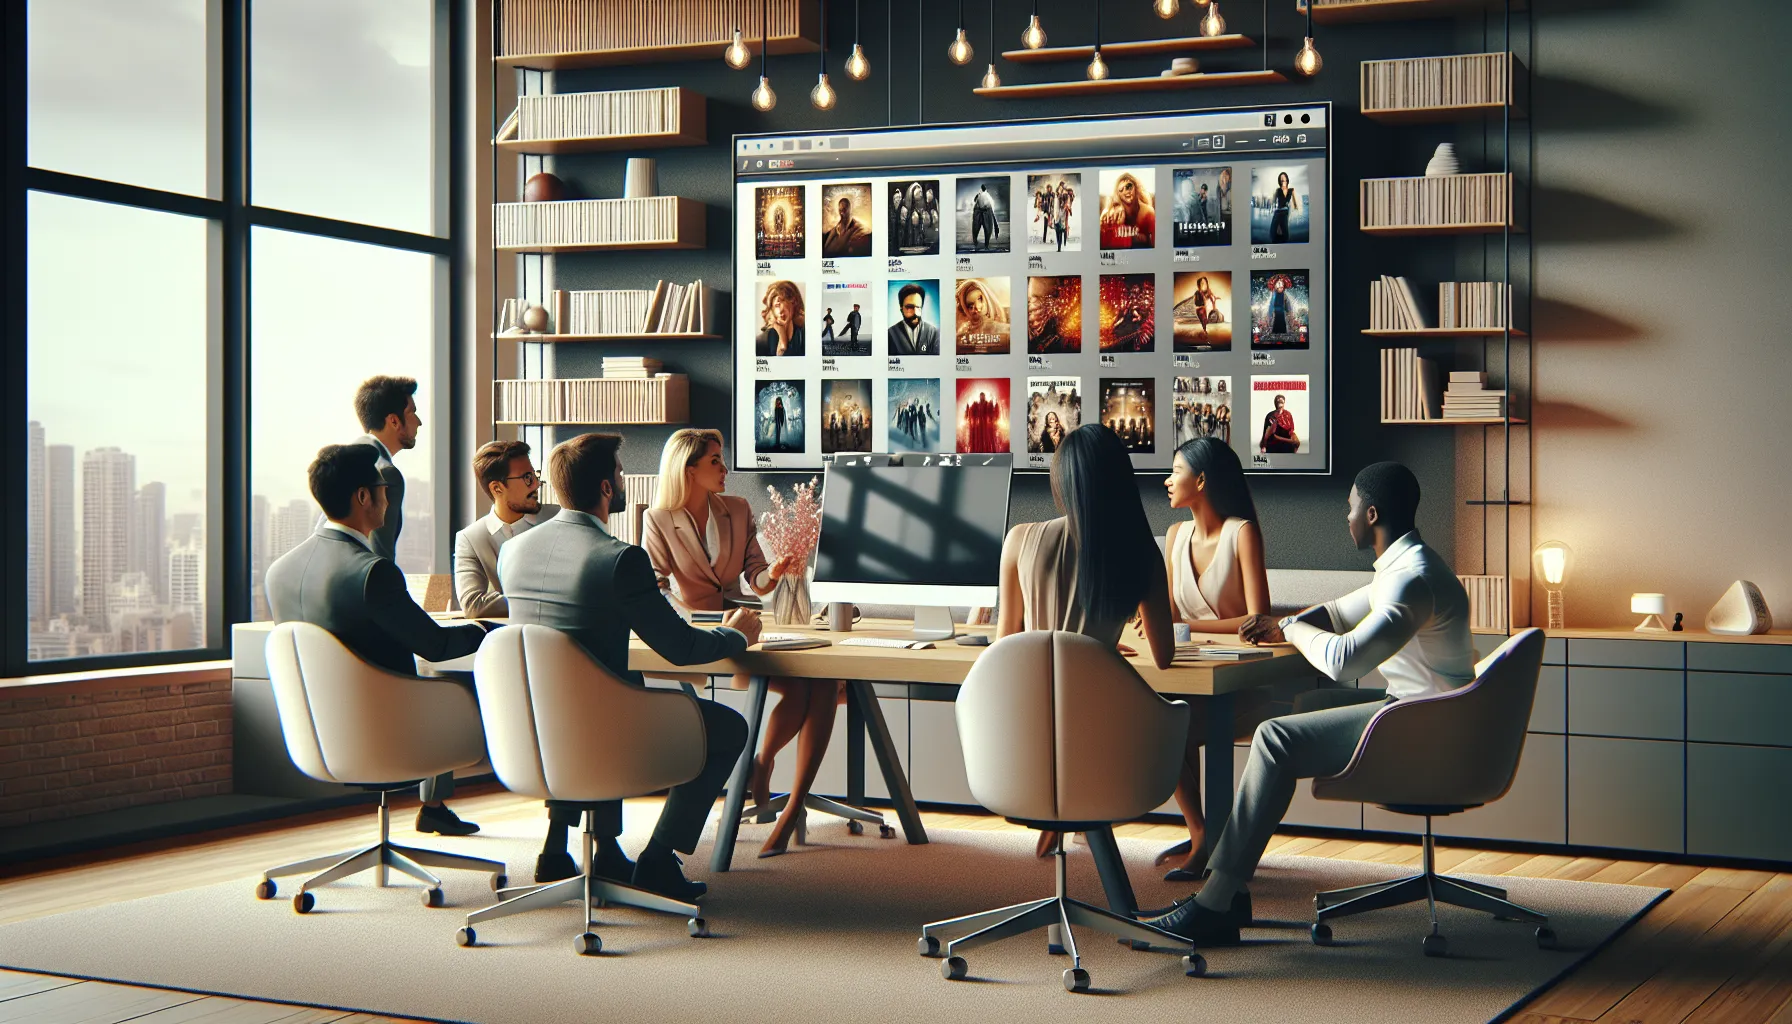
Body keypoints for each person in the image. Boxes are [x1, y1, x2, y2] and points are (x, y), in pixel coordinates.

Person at [1148, 462, 1474, 945]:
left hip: (1424, 726)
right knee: (1303, 707)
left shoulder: (1412, 579)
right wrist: (1284, 624)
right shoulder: (1406, 565)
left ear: (1372, 514)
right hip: (1425, 712)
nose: (1347, 516)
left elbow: (1343, 660)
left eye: (1351, 507)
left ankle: (1218, 898)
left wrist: (1294, 629)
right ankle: (1230, 874)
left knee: (1275, 737)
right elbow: (1339, 612)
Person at [498, 433, 757, 900]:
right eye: (619, 473)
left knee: (612, 686)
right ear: (605, 487)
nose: (622, 480)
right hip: (601, 736)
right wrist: (736, 635)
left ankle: (580, 848)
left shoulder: (513, 550)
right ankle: (658, 859)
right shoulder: (619, 559)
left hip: (531, 733)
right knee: (727, 727)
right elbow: (678, 646)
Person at [266, 443, 489, 838]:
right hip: (386, 734)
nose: (389, 498)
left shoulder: (279, 571)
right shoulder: (372, 572)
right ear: (363, 497)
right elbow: (435, 646)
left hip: (317, 738)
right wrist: (488, 631)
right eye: (384, 489)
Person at [639, 429, 836, 859]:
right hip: (694, 632)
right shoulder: (658, 518)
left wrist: (775, 573)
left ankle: (772, 779)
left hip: (742, 626)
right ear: (689, 469)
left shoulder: (738, 508)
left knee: (819, 682)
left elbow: (756, 578)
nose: (725, 468)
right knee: (815, 687)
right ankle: (768, 780)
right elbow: (655, 587)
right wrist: (689, 620)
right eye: (715, 461)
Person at [998, 424, 1177, 856]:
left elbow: (1004, 648)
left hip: (1024, 733)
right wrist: (1097, 651)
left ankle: (1061, 812)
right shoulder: (1141, 552)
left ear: (1061, 480)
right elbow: (1164, 656)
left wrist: (1064, 648)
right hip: (1099, 735)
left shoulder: (1019, 539)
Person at [1154, 438, 1281, 880]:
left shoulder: (1241, 533)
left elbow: (1258, 619)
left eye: (1176, 471)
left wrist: (1187, 627)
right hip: (1190, 673)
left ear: (1202, 480)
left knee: (1171, 729)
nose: (1167, 480)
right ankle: (1202, 833)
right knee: (1162, 719)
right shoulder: (1175, 536)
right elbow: (1168, 617)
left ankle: (1204, 838)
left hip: (1238, 679)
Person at [453, 440, 559, 619]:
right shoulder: (471, 538)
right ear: (497, 488)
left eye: (535, 475)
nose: (536, 484)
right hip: (509, 635)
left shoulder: (559, 518)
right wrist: (550, 600)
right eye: (527, 478)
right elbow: (473, 605)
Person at [334, 375, 420, 562]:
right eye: (412, 412)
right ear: (394, 421)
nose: (419, 422)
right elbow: (380, 557)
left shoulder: (341, 462)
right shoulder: (385, 473)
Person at [1099, 171, 1156, 249]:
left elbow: (1155, 245)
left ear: (1136, 188)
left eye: (1129, 187)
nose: (1126, 191)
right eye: (1121, 189)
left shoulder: (1148, 212)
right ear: (1118, 195)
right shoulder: (1110, 213)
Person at [888, 283, 940, 356]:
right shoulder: (890, 334)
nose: (915, 313)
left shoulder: (933, 333)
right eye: (909, 307)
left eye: (918, 307)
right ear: (901, 308)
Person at [756, 280, 805, 357]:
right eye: (776, 306)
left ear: (793, 303)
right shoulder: (763, 340)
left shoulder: (803, 334)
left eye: (783, 302)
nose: (780, 311)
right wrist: (782, 339)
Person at [1271, 170, 1299, 244]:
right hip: (1277, 213)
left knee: (1285, 234)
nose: (1282, 179)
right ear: (1279, 180)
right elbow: (1273, 202)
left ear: (1286, 178)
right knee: (1275, 232)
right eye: (1281, 178)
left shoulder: (1291, 190)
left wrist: (1295, 212)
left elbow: (1295, 204)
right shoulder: (1278, 190)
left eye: (1283, 177)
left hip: (1285, 212)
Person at [970, 183, 999, 251]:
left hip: (986, 211)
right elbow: (975, 200)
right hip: (981, 212)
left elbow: (975, 200)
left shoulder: (984, 195)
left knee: (986, 229)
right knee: (978, 229)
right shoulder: (983, 195)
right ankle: (981, 244)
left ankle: (984, 244)